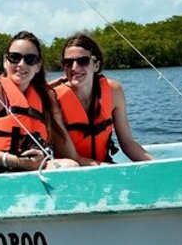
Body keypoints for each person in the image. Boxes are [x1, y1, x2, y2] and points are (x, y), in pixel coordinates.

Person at [0, 30, 80, 176]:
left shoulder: (43, 99)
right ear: (5, 61)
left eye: (30, 59)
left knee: (70, 166)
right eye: (14, 57)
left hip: (22, 169)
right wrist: (15, 161)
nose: (21, 64)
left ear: (38, 66)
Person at [53, 33, 153, 166]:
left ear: (96, 65)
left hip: (104, 165)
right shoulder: (54, 98)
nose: (74, 68)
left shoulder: (114, 91)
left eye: (83, 61)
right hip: (73, 171)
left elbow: (128, 143)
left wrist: (158, 165)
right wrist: (108, 169)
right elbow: (73, 158)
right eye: (68, 62)